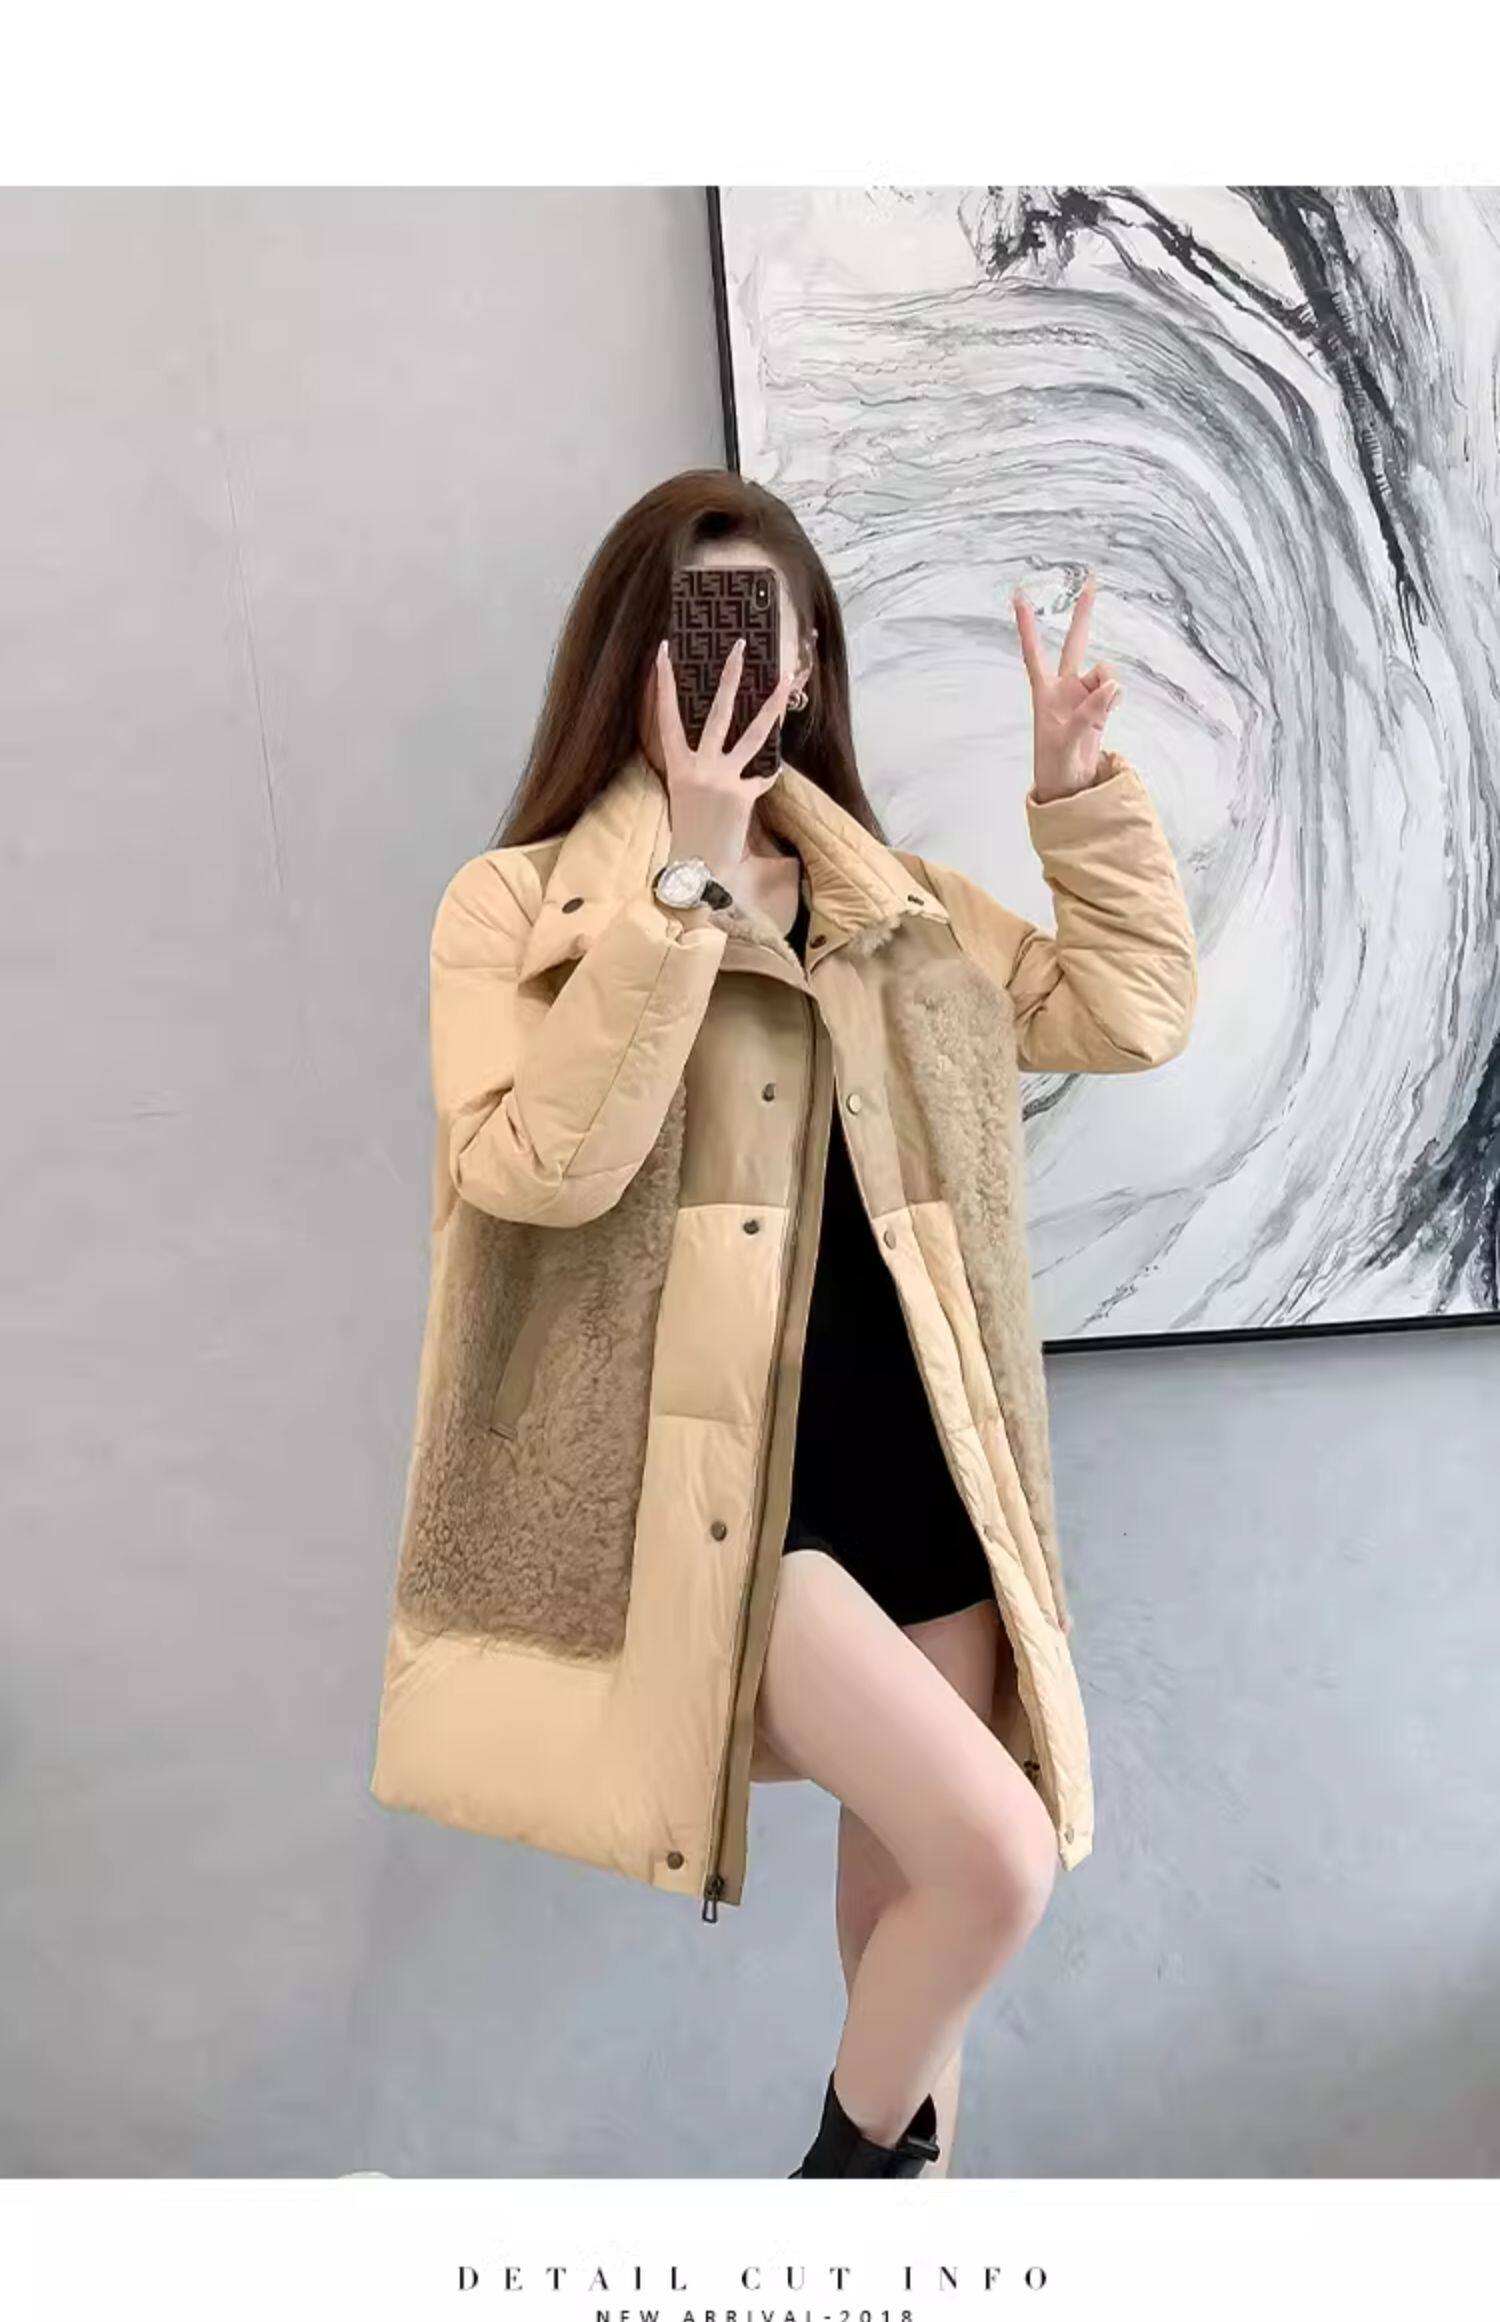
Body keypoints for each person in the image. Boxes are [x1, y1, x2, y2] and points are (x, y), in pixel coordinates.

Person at [369, 468, 1198, 2180]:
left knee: (910, 1968)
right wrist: (680, 880)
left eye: (774, 630)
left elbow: (1129, 1014)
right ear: (632, 658)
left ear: (812, 665)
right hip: (732, 1503)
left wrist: (1075, 797)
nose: (740, 666)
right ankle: (824, 2200)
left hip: (929, 1481)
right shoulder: (516, 913)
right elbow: (538, 1172)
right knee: (996, 1862)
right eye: (700, 628)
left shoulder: (900, 909)